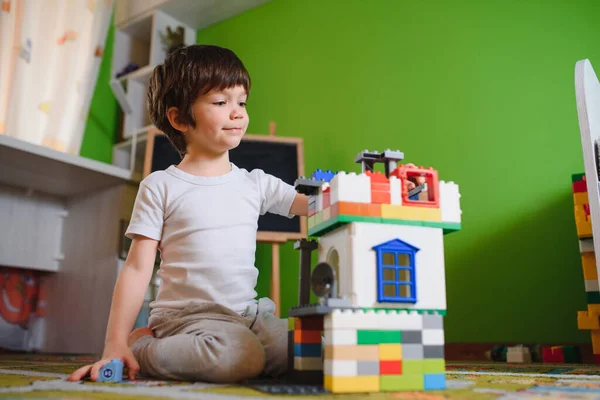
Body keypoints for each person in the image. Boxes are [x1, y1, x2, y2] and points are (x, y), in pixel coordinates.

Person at [68, 44, 308, 383]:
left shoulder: (257, 184)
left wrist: (384, 187)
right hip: (186, 318)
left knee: (314, 352)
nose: (238, 113)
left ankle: (245, 352)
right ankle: (141, 347)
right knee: (239, 357)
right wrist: (115, 343)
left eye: (241, 102)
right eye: (221, 103)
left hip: (249, 316)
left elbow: (315, 204)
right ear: (179, 118)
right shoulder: (161, 186)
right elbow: (137, 268)